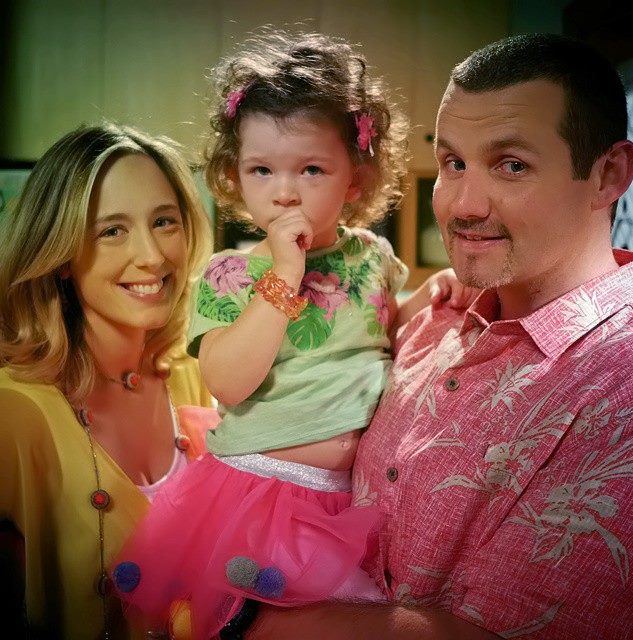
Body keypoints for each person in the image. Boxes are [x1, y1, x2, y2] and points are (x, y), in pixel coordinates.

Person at [239, 33, 633, 640]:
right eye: (453, 163)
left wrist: (259, 620)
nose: (462, 205)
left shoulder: (624, 381)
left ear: (608, 175)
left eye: (511, 165)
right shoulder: (436, 314)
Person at [112, 31, 477, 639]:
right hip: (258, 493)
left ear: (355, 179)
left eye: (311, 169)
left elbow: (380, 328)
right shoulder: (229, 275)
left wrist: (424, 298)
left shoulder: (371, 255)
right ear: (236, 177)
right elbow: (228, 380)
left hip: (348, 497)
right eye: (262, 169)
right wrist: (284, 275)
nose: (284, 191)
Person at [0, 123, 216, 639]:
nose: (153, 256)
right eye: (112, 231)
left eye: (164, 222)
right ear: (60, 257)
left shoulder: (195, 375)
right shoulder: (16, 412)